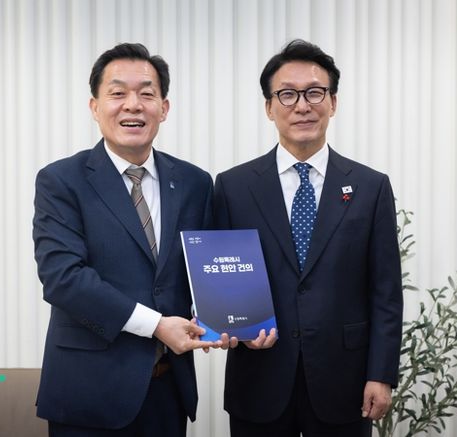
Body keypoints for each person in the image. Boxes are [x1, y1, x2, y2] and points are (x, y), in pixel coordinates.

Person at [214, 39, 404, 437]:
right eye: (287, 94)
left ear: (333, 102)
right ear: (269, 107)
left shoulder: (370, 187)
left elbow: (385, 292)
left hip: (346, 380)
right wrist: (233, 328)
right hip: (259, 377)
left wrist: (381, 373)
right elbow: (223, 279)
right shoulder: (233, 187)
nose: (302, 106)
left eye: (315, 93)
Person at [33, 42, 219, 437]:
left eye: (146, 94)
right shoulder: (61, 181)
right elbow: (63, 279)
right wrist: (156, 325)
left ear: (163, 108)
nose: (133, 105)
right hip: (87, 394)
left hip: (167, 391)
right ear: (95, 106)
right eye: (118, 93)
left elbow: (207, 271)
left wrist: (239, 321)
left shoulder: (194, 183)